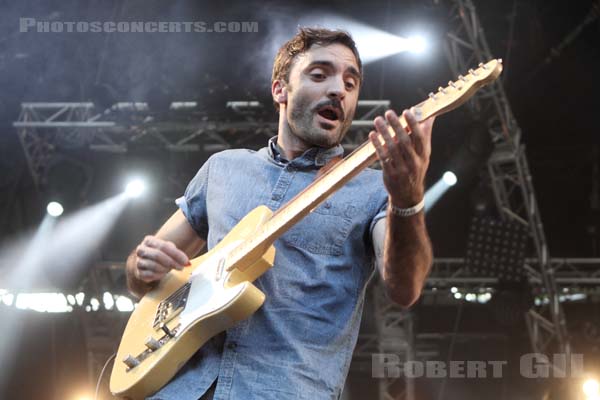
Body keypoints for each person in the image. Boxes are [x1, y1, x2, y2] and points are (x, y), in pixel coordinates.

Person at [125, 27, 435, 400]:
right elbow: (140, 278)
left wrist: (408, 199)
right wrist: (142, 266)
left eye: (350, 83)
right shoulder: (223, 169)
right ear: (280, 90)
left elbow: (405, 288)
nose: (339, 89)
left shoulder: (373, 189)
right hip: (177, 390)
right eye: (319, 75)